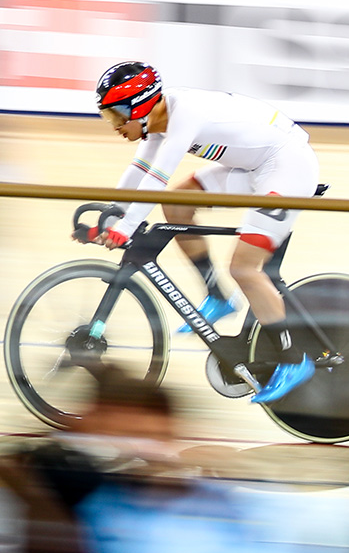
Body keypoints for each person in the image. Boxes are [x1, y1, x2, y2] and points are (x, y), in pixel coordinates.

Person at [86, 61, 322, 404]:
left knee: (244, 267)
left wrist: (126, 227)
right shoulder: (158, 119)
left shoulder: (184, 115)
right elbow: (138, 171)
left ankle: (293, 360)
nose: (115, 125)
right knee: (178, 204)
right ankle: (218, 296)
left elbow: (156, 178)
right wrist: (112, 217)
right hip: (252, 166)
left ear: (140, 105)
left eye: (117, 114)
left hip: (286, 165)